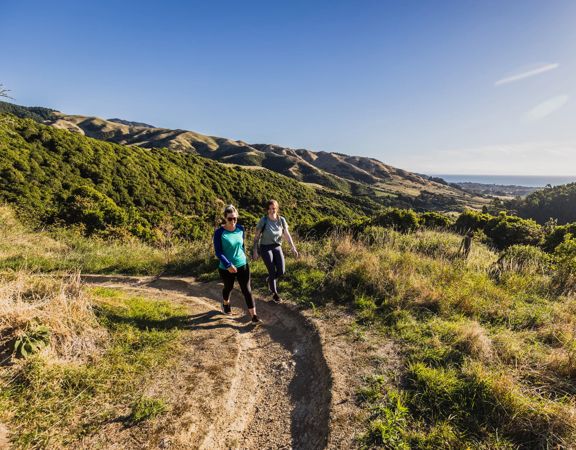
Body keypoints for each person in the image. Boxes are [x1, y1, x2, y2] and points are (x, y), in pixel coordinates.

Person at [213, 205, 260, 323]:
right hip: (226, 268)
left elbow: (242, 245)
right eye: (230, 219)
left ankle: (254, 316)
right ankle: (225, 303)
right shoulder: (219, 233)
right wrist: (228, 264)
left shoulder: (240, 228)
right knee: (228, 288)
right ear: (225, 218)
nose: (233, 221)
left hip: (242, 264)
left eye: (235, 218)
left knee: (247, 290)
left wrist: (244, 256)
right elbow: (218, 252)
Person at [252, 199, 298, 303]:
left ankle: (269, 280)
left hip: (277, 246)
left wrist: (293, 247)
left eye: (275, 208)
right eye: (271, 208)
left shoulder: (281, 220)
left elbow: (286, 234)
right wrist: (255, 251)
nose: (273, 210)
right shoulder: (263, 221)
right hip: (265, 247)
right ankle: (275, 294)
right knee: (272, 271)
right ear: (267, 210)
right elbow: (256, 237)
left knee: (281, 271)